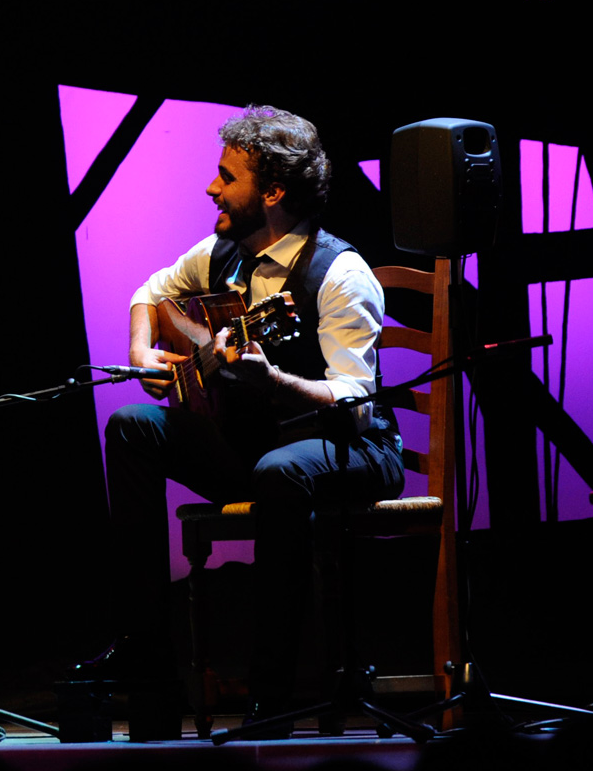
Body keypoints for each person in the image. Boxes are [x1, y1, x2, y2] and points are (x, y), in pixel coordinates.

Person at [79, 106, 404, 729]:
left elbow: (354, 400)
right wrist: (142, 350)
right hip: (257, 448)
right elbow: (149, 291)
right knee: (131, 427)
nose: (211, 188)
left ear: (274, 191)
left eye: (227, 177)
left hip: (348, 449)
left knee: (282, 472)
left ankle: (271, 692)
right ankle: (148, 666)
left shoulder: (339, 273)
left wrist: (273, 378)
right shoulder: (222, 252)